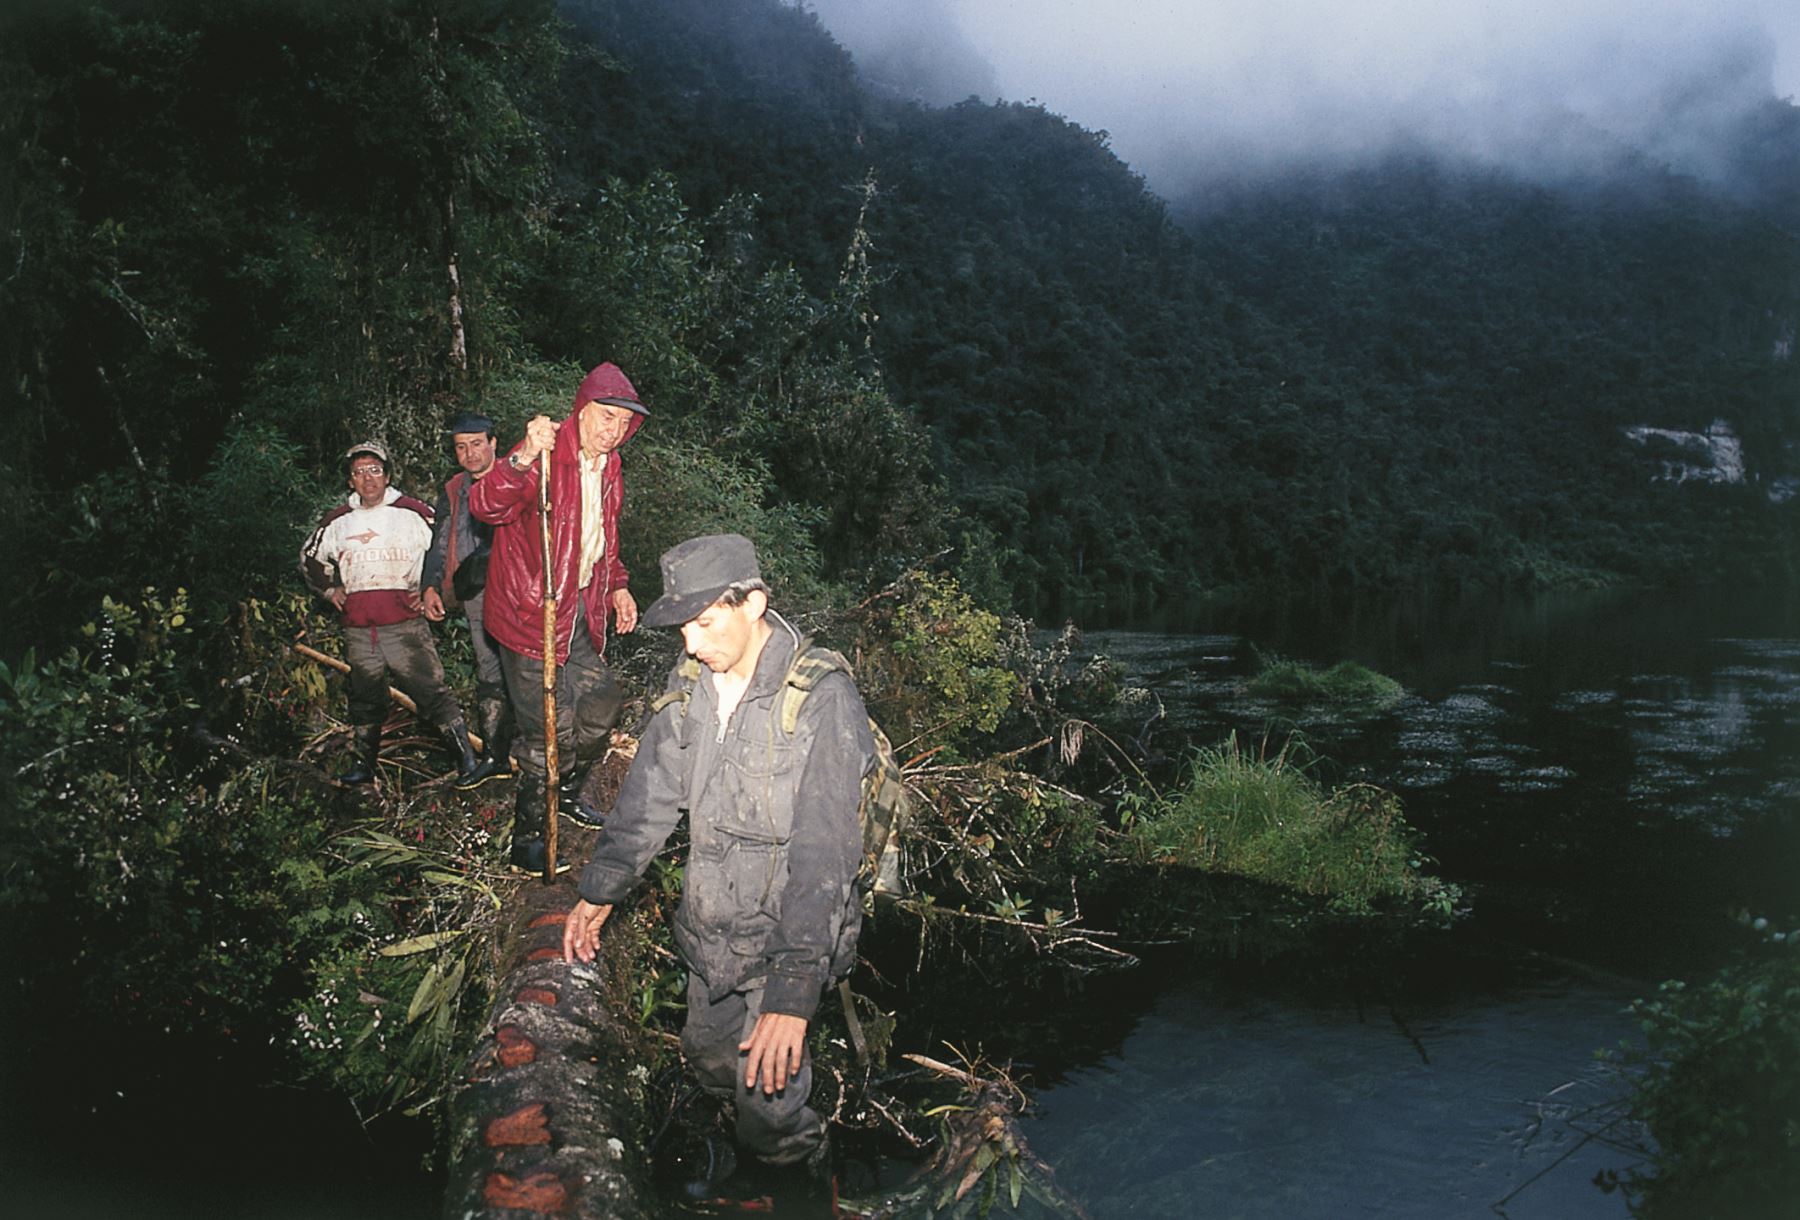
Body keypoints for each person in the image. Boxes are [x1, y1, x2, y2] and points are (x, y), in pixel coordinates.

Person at [562, 533, 874, 1178]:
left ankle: (804, 1186)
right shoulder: (693, 685)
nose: (692, 644)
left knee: (771, 1110)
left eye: (704, 623)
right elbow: (647, 797)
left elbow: (826, 856)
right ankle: (738, 1169)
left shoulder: (821, 698)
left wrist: (792, 994)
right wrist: (599, 891)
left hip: (784, 942)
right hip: (710, 939)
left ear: (753, 604)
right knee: (707, 1060)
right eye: (684, 628)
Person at [469, 362, 645, 873]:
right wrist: (521, 456)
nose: (612, 431)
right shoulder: (544, 458)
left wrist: (617, 586)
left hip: (577, 610)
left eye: (621, 423)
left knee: (602, 703)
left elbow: (604, 538)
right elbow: (485, 504)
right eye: (604, 417)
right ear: (581, 409)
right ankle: (528, 834)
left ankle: (564, 788)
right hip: (531, 615)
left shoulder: (609, 467)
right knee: (547, 733)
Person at [299, 440, 480, 785]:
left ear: (387, 475)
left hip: (405, 624)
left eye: (375, 470)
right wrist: (329, 590)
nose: (368, 479)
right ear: (351, 480)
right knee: (366, 698)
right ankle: (363, 769)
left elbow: (447, 547)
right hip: (359, 628)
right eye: (359, 473)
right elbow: (309, 557)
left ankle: (467, 762)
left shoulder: (413, 512)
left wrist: (434, 591)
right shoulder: (339, 520)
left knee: (431, 692)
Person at [420, 412, 516, 790]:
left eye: (477, 444)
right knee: (489, 670)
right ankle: (496, 756)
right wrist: (431, 585)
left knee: (527, 671)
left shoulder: (517, 476)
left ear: (494, 444)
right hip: (478, 594)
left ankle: (538, 754)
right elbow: (441, 540)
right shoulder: (454, 489)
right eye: (461, 447)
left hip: (521, 592)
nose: (470, 453)